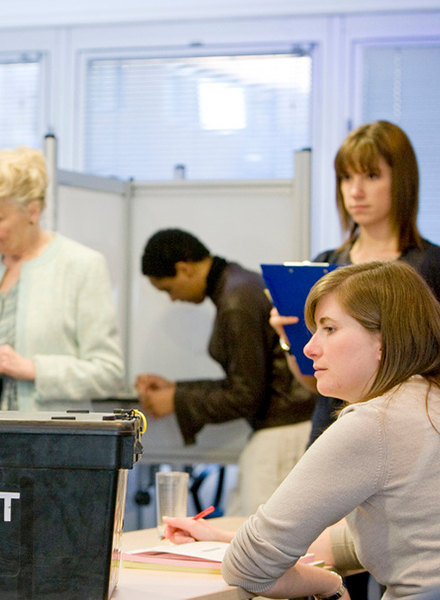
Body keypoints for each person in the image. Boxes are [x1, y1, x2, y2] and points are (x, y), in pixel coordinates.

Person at [165, 260, 440, 600]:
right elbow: (396, 539)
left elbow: (247, 568)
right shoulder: (426, 401)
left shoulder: (374, 423)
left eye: (329, 329)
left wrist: (328, 585)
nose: (309, 348)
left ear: (382, 340)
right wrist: (226, 538)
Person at [272, 121, 440, 445]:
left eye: (371, 176)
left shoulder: (430, 266)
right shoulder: (326, 264)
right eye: (347, 178)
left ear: (402, 182)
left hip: (404, 437)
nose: (355, 191)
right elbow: (318, 382)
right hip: (332, 430)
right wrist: (288, 340)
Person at [135, 229, 315, 517]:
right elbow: (246, 379)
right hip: (287, 425)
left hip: (282, 434)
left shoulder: (236, 301)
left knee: (257, 541)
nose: (171, 299)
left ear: (184, 269)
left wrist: (177, 399)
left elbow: (245, 396)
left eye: (168, 289)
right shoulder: (239, 285)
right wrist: (176, 389)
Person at [0, 146, 124, 410]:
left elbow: (108, 372)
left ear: (33, 212)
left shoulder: (82, 267)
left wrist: (33, 369)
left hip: (47, 445)